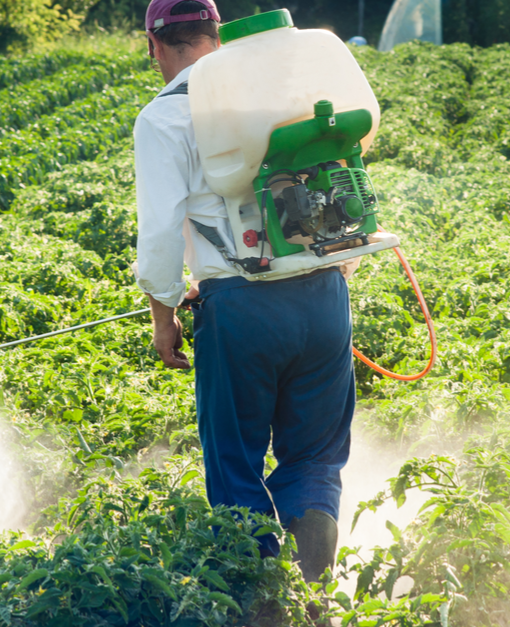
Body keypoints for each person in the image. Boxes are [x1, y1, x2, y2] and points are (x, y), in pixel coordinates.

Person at [133, 0, 358, 585]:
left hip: (241, 308)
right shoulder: (280, 95)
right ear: (216, 34)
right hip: (326, 297)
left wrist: (165, 316)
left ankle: (264, 602)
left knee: (236, 468)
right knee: (313, 459)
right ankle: (313, 590)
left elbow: (159, 236)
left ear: (154, 45)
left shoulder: (164, 118)